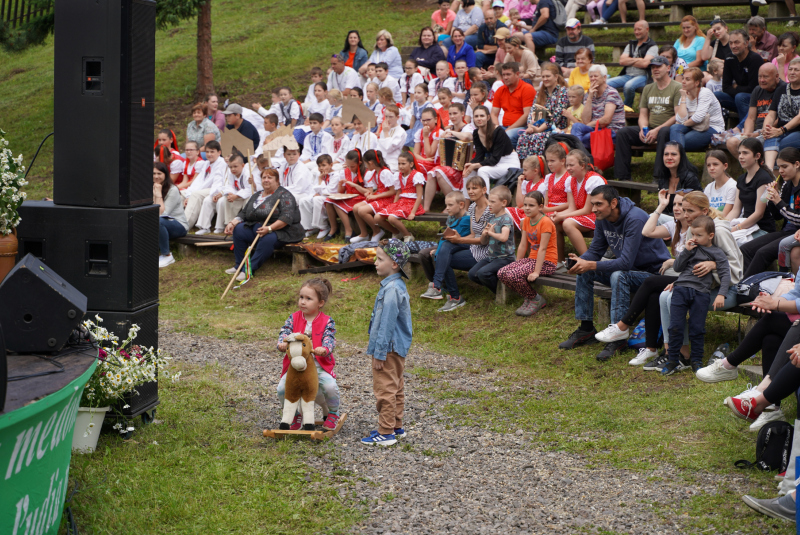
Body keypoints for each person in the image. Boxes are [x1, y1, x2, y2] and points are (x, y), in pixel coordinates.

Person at [560, 185, 671, 361]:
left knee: (618, 275)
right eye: (592, 204)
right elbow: (595, 250)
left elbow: (626, 263)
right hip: (629, 270)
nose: (594, 209)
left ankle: (618, 335)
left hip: (652, 274)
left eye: (598, 204)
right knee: (585, 270)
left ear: (613, 203)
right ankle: (586, 328)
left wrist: (591, 264)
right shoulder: (602, 218)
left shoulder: (635, 218)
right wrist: (581, 261)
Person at [595, 190, 689, 367]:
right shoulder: (674, 226)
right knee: (655, 295)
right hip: (677, 276)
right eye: (675, 204)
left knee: (650, 282)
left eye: (681, 204)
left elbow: (704, 258)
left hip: (692, 279)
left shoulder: (699, 227)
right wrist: (661, 206)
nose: (677, 208)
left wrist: (675, 261)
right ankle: (651, 348)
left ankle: (622, 326)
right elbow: (647, 231)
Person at [660, 215, 731, 375]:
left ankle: (697, 360)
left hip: (701, 293)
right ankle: (672, 360)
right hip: (681, 289)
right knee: (675, 326)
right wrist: (686, 250)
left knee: (697, 328)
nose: (695, 238)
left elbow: (725, 273)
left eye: (699, 235)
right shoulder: (691, 249)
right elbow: (677, 268)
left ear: (710, 235)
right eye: (693, 235)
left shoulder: (717, 253)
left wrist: (721, 294)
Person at [361, 239, 412, 447]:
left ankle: (386, 432)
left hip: (388, 348)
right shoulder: (396, 285)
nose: (375, 262)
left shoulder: (391, 290)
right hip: (397, 347)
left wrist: (379, 352)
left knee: (385, 389)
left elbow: (387, 323)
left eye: (380, 259)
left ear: (394, 264)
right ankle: (396, 426)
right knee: (396, 386)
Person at [276, 278, 340, 431]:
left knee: (330, 386)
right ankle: (295, 414)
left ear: (320, 303)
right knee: (282, 389)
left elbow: (329, 338)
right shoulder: (293, 318)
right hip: (295, 367)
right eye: (301, 297)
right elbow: (285, 331)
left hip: (318, 366)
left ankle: (333, 413)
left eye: (308, 298)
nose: (303, 302)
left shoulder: (327, 321)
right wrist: (282, 343)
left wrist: (325, 348)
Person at [223, 168, 304, 280]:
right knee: (239, 229)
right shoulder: (257, 195)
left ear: (277, 180)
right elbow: (245, 212)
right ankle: (239, 265)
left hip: (283, 230)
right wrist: (233, 222)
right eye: (264, 177)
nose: (266, 180)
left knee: (267, 238)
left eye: (270, 178)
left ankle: (249, 269)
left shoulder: (284, 195)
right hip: (258, 228)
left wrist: (270, 228)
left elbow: (286, 218)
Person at [613, 56, 680, 182]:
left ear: (668, 68)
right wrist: (644, 129)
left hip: (669, 129)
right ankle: (623, 177)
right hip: (650, 128)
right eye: (653, 67)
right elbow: (643, 114)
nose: (655, 69)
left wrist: (657, 130)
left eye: (658, 66)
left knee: (664, 132)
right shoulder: (648, 88)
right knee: (623, 133)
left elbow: (678, 116)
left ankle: (659, 177)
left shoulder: (677, 87)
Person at [740, 147, 800, 277]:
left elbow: (798, 219)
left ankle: (745, 289)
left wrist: (778, 201)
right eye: (779, 167)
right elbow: (778, 216)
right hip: (787, 230)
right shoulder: (787, 184)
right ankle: (746, 285)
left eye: (785, 166)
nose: (781, 171)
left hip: (796, 232)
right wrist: (771, 198)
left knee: (763, 253)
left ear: (797, 164)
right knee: (746, 249)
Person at [498, 190, 558, 315]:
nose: (527, 208)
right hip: (532, 260)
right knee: (502, 273)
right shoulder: (525, 220)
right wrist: (517, 264)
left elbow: (542, 248)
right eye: (525, 205)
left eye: (531, 205)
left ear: (540, 207)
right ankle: (529, 297)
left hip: (547, 262)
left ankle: (535, 299)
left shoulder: (545, 222)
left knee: (512, 275)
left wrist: (536, 271)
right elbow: (523, 245)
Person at [420, 191, 472, 300]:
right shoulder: (451, 217)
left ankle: (437, 285)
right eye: (446, 205)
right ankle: (438, 285)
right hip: (450, 244)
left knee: (438, 253)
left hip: (463, 246)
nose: (447, 208)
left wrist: (437, 251)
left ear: (461, 205)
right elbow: (446, 238)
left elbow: (455, 239)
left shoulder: (467, 218)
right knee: (423, 253)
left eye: (450, 205)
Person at [725, 63, 783, 159]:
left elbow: (779, 120)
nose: (761, 80)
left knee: (749, 147)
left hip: (773, 131)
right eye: (759, 76)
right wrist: (747, 134)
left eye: (766, 77)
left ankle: (758, 170)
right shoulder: (757, 90)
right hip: (757, 131)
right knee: (731, 142)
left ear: (776, 76)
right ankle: (751, 169)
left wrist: (757, 134)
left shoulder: (783, 89)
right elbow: (751, 118)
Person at [425, 103, 475, 211]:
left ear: (462, 114)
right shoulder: (449, 129)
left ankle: (454, 204)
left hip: (465, 166)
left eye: (455, 113)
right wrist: (442, 138)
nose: (452, 116)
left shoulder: (468, 127)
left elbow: (467, 137)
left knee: (438, 172)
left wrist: (450, 132)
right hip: (450, 165)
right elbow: (441, 152)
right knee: (431, 174)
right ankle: (426, 208)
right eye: (450, 114)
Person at [555, 150, 606, 256]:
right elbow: (572, 208)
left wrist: (562, 217)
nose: (568, 168)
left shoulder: (593, 180)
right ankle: (559, 261)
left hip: (598, 216)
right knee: (553, 222)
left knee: (568, 223)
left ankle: (587, 259)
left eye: (571, 165)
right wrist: (558, 215)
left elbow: (587, 210)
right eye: (567, 165)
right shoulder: (570, 180)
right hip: (583, 215)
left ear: (582, 165)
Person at [515, 63, 569, 159]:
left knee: (537, 137)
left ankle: (539, 166)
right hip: (538, 127)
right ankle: (526, 167)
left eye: (548, 76)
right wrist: (530, 126)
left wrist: (538, 130)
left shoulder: (563, 92)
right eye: (543, 76)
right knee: (523, 137)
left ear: (556, 77)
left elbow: (555, 117)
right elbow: (532, 112)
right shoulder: (540, 93)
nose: (545, 79)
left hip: (556, 128)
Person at [468, 185, 516, 293]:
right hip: (492, 256)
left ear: (503, 203)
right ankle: (498, 288)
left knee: (482, 273)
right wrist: (485, 234)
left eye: (493, 202)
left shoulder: (506, 219)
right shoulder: (491, 217)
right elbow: (483, 242)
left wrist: (491, 233)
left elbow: (504, 237)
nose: (489, 204)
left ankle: (503, 293)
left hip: (505, 258)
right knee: (472, 274)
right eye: (489, 201)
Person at [195, 152, 256, 236]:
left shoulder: (247, 173)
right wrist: (225, 193)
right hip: (236, 194)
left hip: (246, 196)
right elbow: (230, 186)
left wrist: (236, 195)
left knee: (248, 201)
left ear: (242, 165)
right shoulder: (230, 172)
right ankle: (223, 225)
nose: (233, 169)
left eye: (235, 166)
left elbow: (249, 190)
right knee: (223, 200)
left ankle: (241, 225)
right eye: (231, 167)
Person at [716, 29, 765, 131]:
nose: (733, 46)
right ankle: (718, 128)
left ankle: (745, 129)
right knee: (716, 95)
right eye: (731, 43)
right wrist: (739, 89)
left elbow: (754, 89)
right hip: (738, 97)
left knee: (740, 97)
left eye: (737, 42)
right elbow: (725, 87)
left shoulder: (755, 59)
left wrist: (736, 87)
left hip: (756, 100)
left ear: (746, 43)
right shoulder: (729, 58)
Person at [726, 137, 776, 238]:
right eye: (739, 153)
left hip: (762, 229)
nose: (741, 156)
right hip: (745, 226)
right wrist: (723, 224)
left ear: (757, 156)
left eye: (745, 153)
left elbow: (759, 213)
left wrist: (736, 228)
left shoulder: (763, 178)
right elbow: (736, 210)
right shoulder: (741, 179)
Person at [572, 65, 626, 152]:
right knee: (576, 126)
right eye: (591, 76)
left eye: (596, 76)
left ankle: (579, 157)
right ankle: (578, 157)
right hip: (595, 129)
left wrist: (588, 125)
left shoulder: (611, 93)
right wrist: (589, 97)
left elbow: (606, 120)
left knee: (585, 138)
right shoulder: (589, 94)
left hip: (611, 131)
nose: (593, 78)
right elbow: (585, 120)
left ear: (604, 78)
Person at [375, 152, 427, 243]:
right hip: (401, 202)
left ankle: (407, 235)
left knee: (392, 218)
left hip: (412, 204)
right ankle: (397, 232)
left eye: (403, 164)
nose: (401, 166)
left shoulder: (416, 175)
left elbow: (419, 196)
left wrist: (413, 213)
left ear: (411, 164)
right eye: (399, 164)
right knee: (377, 217)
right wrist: (394, 205)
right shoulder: (398, 175)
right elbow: (398, 192)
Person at [464, 105, 519, 190]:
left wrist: (475, 165)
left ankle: (486, 200)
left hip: (509, 163)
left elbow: (495, 159)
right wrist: (470, 164)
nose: (479, 118)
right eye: (476, 116)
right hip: (494, 162)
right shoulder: (476, 133)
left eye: (482, 116)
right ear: (473, 118)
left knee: (482, 171)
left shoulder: (498, 131)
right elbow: (479, 156)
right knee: (469, 171)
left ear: (488, 117)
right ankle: (467, 201)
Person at [671, 67, 725, 151]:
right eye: (683, 78)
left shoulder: (705, 93)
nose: (683, 82)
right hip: (692, 125)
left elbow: (698, 118)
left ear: (696, 83)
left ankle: (678, 161)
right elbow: (679, 118)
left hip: (711, 127)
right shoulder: (684, 94)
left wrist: (683, 123)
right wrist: (683, 98)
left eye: (687, 79)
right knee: (674, 128)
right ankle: (679, 161)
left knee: (681, 141)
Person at [350, 149, 399, 243]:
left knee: (362, 210)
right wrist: (370, 193)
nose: (366, 166)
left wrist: (375, 197)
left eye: (366, 164)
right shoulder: (375, 172)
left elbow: (393, 191)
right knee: (356, 207)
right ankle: (364, 233)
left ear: (371, 162)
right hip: (380, 196)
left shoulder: (385, 172)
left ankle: (377, 231)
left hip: (388, 199)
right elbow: (378, 189)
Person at [608, 21, 658, 108]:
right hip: (627, 75)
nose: (636, 32)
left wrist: (630, 60)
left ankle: (627, 108)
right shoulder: (631, 45)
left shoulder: (652, 46)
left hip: (643, 76)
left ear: (647, 30)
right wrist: (638, 59)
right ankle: (614, 105)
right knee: (606, 83)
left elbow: (645, 64)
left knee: (628, 86)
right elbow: (622, 61)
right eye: (635, 29)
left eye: (639, 29)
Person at [763, 58, 800, 169]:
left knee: (783, 144)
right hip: (781, 130)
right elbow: (771, 114)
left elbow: (799, 117)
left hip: (797, 131)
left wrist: (781, 130)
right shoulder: (781, 90)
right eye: (790, 69)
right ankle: (769, 171)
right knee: (767, 137)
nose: (792, 72)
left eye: (797, 70)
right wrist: (767, 128)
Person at [183, 141, 227, 230]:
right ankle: (173, 221)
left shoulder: (221, 163)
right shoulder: (206, 163)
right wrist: (188, 195)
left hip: (215, 189)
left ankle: (185, 225)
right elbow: (198, 181)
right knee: (181, 193)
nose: (209, 154)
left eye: (212, 152)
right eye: (207, 152)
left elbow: (217, 183)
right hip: (204, 188)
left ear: (219, 152)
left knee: (195, 195)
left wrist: (192, 194)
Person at [490, 62, 536, 148]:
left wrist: (508, 129)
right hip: (504, 127)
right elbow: (493, 114)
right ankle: (488, 161)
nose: (505, 77)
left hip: (524, 127)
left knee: (507, 135)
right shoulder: (500, 90)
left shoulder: (527, 89)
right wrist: (496, 128)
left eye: (508, 74)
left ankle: (512, 160)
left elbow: (527, 114)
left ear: (517, 74)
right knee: (485, 135)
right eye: (503, 75)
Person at [653, 141, 702, 218]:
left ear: (681, 157)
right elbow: (661, 208)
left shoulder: (690, 178)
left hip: (686, 220)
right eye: (666, 154)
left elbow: (696, 208)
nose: (669, 157)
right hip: (667, 221)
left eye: (673, 154)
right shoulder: (663, 178)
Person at [153, 162, 188, 269]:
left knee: (158, 221)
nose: (156, 176)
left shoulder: (172, 190)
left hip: (178, 225)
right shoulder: (151, 186)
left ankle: (167, 255)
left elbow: (162, 213)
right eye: (153, 174)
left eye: (159, 173)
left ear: (165, 174)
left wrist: (158, 194)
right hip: (158, 222)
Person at [508, 154, 548, 229]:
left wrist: (521, 208)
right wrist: (519, 184)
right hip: (526, 211)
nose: (523, 173)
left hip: (535, 213)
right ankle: (510, 239)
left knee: (509, 214)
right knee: (505, 213)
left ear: (535, 171)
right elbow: (520, 204)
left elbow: (534, 205)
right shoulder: (526, 184)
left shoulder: (542, 185)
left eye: (525, 170)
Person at [306, 155, 341, 239]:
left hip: (331, 198)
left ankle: (323, 226)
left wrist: (320, 181)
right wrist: (316, 191)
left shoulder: (335, 175)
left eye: (323, 165)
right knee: (304, 200)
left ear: (331, 165)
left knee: (317, 200)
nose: (321, 168)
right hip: (322, 196)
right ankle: (310, 227)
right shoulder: (320, 174)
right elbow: (314, 188)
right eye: (319, 166)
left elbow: (328, 192)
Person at [703, 150, 737, 217]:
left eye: (715, 164)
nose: (711, 168)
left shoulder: (732, 186)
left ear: (725, 166)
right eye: (708, 165)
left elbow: (724, 215)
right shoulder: (708, 187)